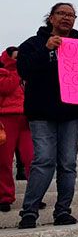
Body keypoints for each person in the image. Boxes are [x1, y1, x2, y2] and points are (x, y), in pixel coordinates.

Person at [16, 3, 78, 229]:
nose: (67, 18)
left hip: (71, 113)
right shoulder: (32, 43)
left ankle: (63, 211)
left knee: (68, 163)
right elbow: (23, 70)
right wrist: (45, 49)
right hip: (41, 113)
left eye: (71, 15)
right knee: (44, 160)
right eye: (62, 14)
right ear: (51, 18)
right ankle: (29, 212)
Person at [0, 47, 34, 212]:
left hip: (26, 120)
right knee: (4, 161)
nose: (18, 60)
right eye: (15, 58)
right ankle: (5, 196)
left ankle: (34, 194)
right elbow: (5, 88)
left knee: (32, 159)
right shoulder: (3, 73)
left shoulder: (27, 75)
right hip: (6, 119)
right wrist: (16, 70)